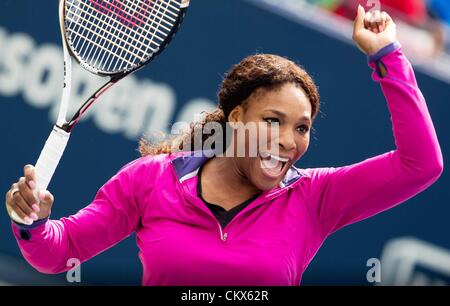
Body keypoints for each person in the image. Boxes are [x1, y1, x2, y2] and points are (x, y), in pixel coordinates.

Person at [5, 6, 443, 285]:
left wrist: (387, 54)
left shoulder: (316, 197)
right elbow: (58, 252)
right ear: (236, 119)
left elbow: (421, 164)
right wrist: (31, 223)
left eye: (302, 128)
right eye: (273, 121)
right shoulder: (151, 181)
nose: (288, 142)